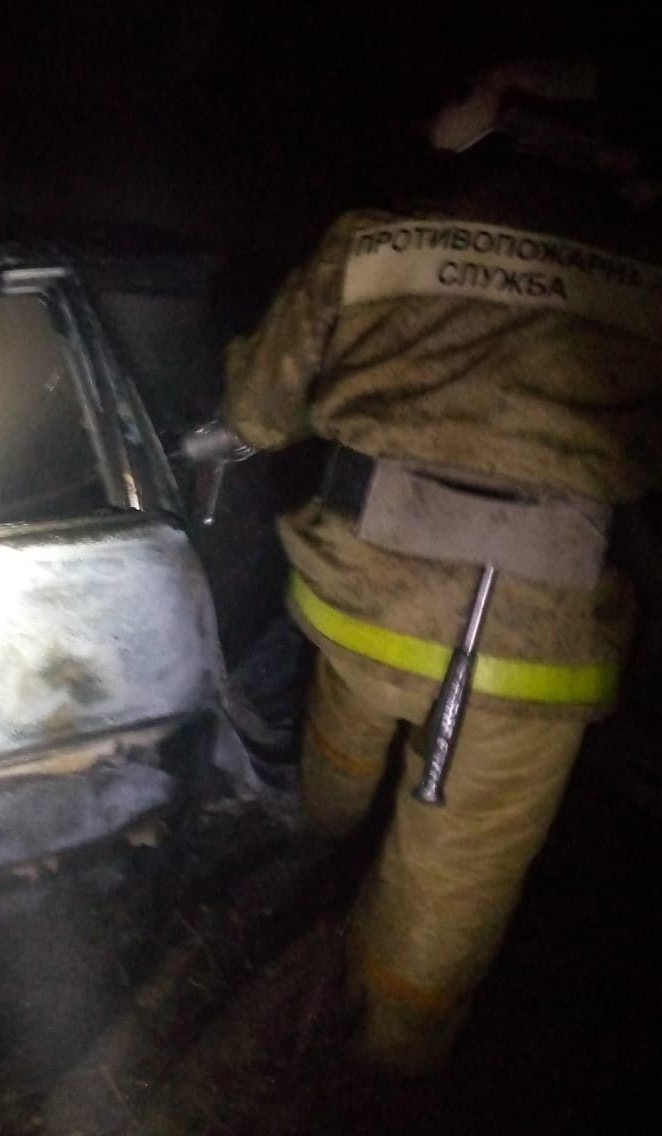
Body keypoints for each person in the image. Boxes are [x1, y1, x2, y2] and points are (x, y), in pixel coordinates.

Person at [205, 60, 662, 1075]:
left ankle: (313, 854)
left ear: (490, 123)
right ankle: (382, 1069)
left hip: (363, 593)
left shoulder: (373, 240)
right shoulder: (647, 274)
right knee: (452, 878)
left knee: (338, 752)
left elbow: (257, 413)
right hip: (537, 637)